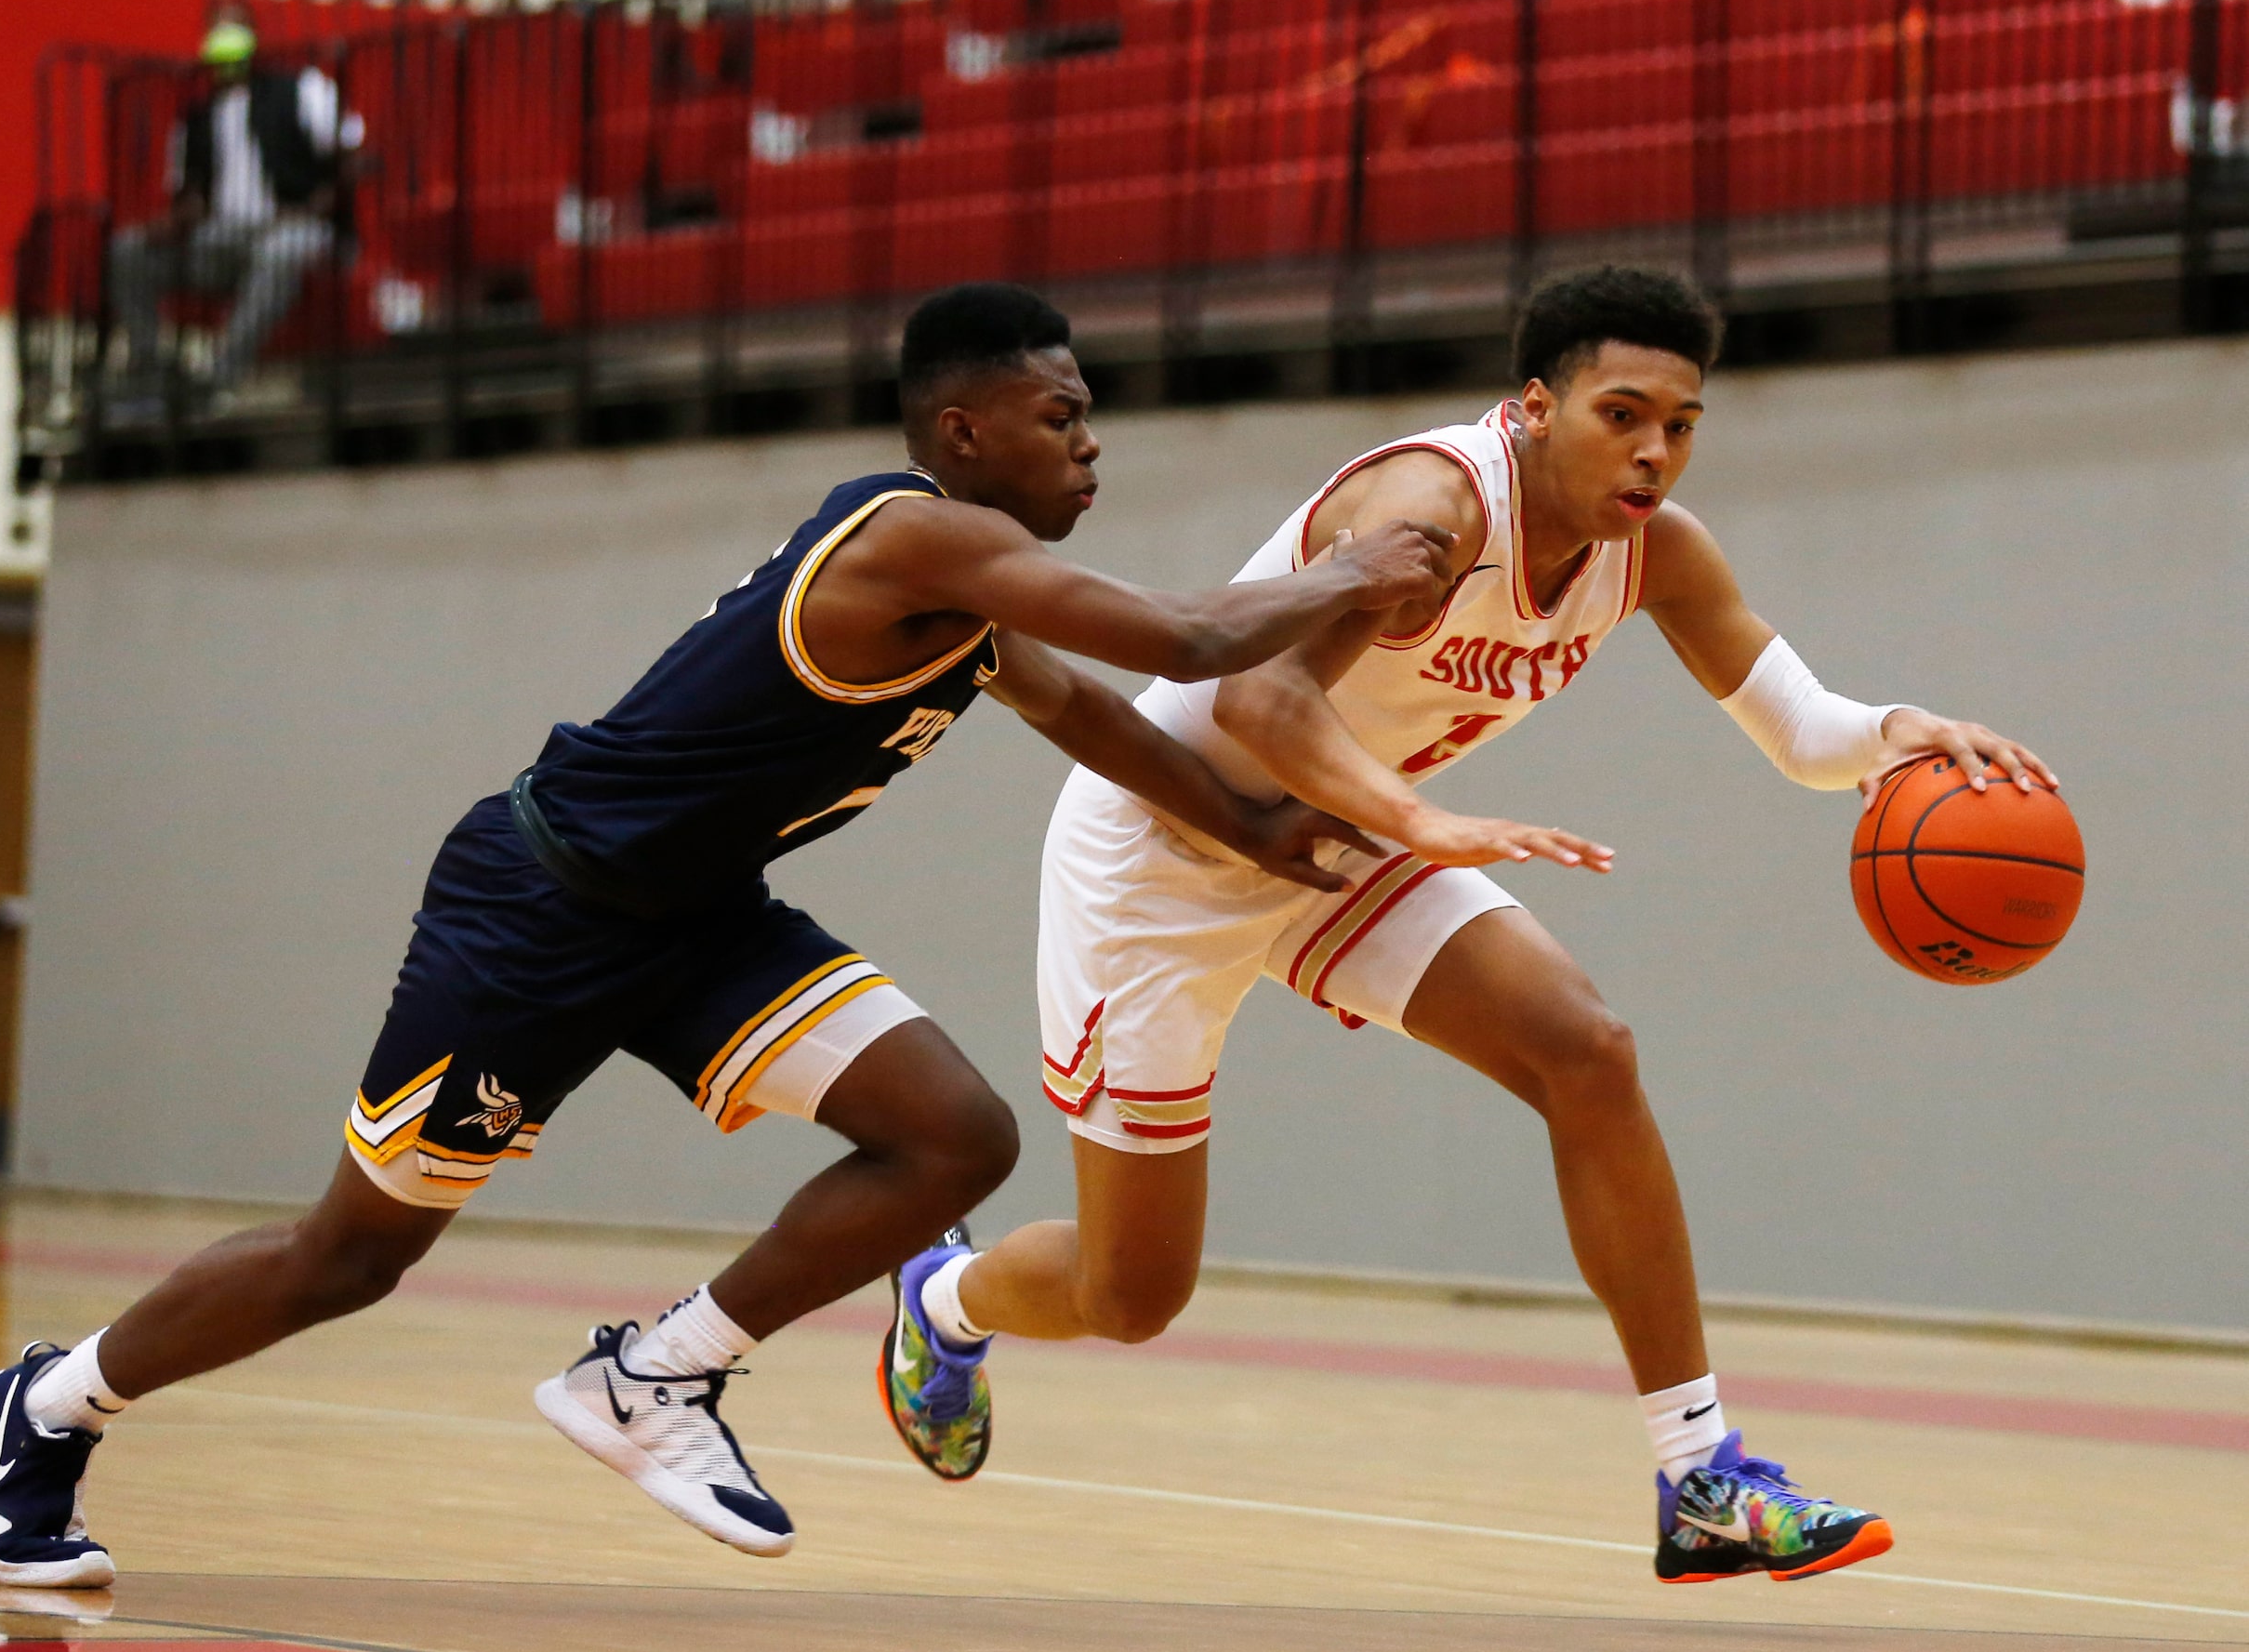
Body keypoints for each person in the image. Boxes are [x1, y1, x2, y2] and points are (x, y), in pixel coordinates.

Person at [0, 282, 1535, 1589]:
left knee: (950, 1134)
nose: (1090, 439)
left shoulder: (973, 597)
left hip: (701, 920)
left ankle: (657, 1372)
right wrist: (1352, 564)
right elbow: (1193, 636)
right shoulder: (917, 535)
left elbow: (1083, 708)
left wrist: (1250, 825)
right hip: (541, 907)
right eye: (1061, 415)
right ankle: (43, 1402)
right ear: (961, 431)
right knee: (348, 1258)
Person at [881, 266, 2058, 1584]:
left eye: (1680, 422)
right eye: (1623, 413)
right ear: (1536, 405)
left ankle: (1700, 1477)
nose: (1654, 449)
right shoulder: (1431, 506)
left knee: (1587, 1049)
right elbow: (1261, 704)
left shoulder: (1654, 549)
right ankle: (944, 1298)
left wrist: (1902, 737)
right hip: (1163, 852)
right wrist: (1420, 820)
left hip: (1330, 839)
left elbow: (1800, 729)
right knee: (1130, 1293)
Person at [107, 7, 362, 409]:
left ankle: (220, 372)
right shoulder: (197, 119)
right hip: (221, 239)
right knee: (128, 250)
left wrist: (318, 203)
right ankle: (149, 362)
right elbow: (189, 194)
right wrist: (172, 224)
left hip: (297, 229)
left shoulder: (302, 90)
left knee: (281, 252)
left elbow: (352, 156)